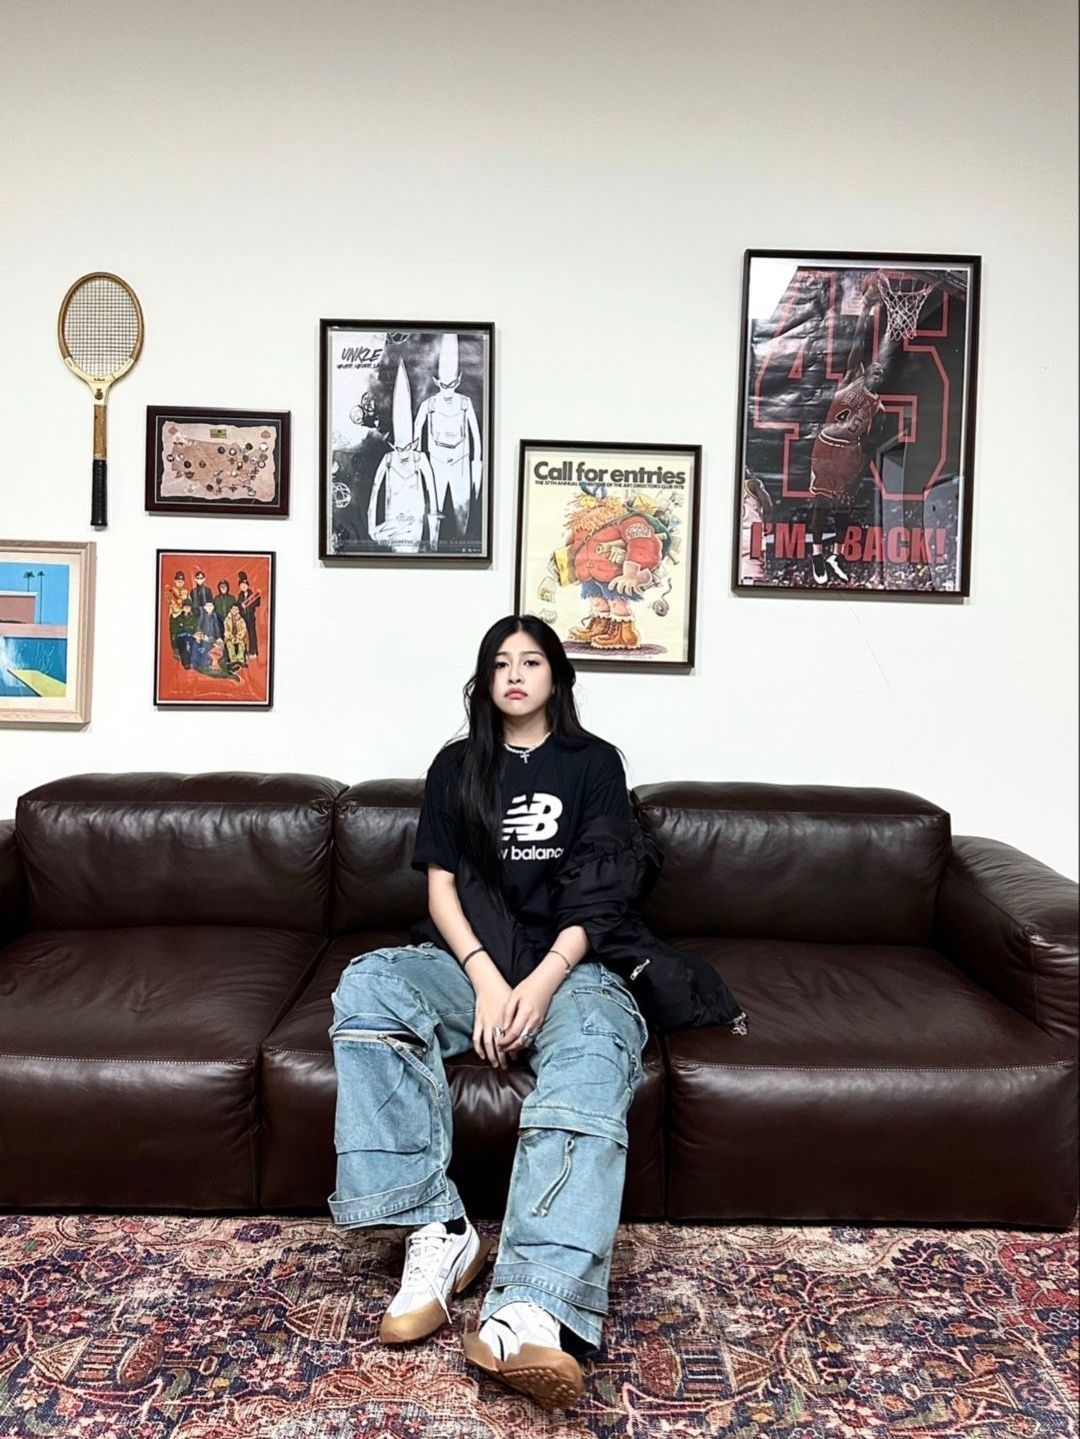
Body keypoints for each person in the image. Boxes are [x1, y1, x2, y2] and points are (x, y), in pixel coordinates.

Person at [329, 616, 743, 1411]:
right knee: (370, 983)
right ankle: (438, 1231)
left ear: (557, 675)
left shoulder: (594, 764)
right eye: (500, 662)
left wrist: (546, 978)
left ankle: (529, 1305)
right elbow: (441, 889)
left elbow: (602, 889)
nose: (515, 674)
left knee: (596, 1045)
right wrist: (485, 977)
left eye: (531, 660)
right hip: (472, 965)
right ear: (484, 679)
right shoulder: (456, 766)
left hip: (573, 966)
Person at [808, 279, 898, 585]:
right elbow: (858, 342)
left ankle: (836, 554)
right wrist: (866, 309)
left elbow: (871, 446)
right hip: (827, 446)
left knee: (844, 507)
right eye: (875, 368)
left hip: (849, 455)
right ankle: (817, 554)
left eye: (881, 372)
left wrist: (858, 467)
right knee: (821, 503)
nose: (878, 370)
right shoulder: (851, 378)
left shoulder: (879, 409)